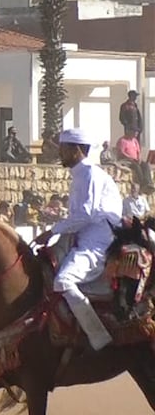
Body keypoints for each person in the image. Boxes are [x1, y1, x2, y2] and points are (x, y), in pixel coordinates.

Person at [34, 128, 122, 351]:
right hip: (82, 237)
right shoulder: (81, 175)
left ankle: (99, 338)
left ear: (76, 150)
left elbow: (86, 215)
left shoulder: (91, 174)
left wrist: (53, 231)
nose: (60, 153)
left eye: (63, 149)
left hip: (97, 241)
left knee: (63, 281)